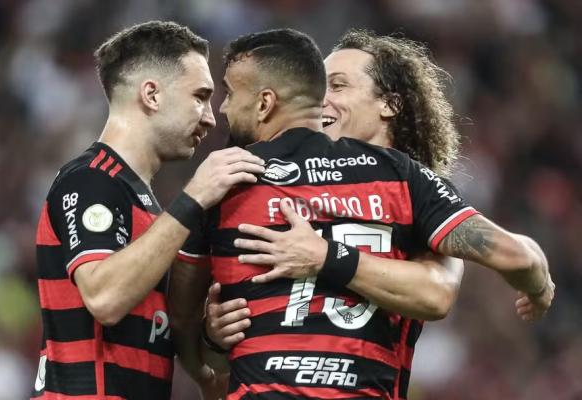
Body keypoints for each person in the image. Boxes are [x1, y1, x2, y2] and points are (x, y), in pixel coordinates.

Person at [169, 28, 553, 399]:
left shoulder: (412, 189)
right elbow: (204, 338)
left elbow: (440, 293)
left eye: (337, 86)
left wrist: (324, 255)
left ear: (389, 104)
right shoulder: (244, 177)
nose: (322, 100)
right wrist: (213, 337)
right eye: (320, 87)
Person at [31, 21, 265, 400]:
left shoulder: (143, 202)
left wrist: (210, 335)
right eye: (200, 96)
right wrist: (194, 198)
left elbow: (153, 325)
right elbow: (105, 298)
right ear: (152, 95)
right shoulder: (91, 180)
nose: (210, 116)